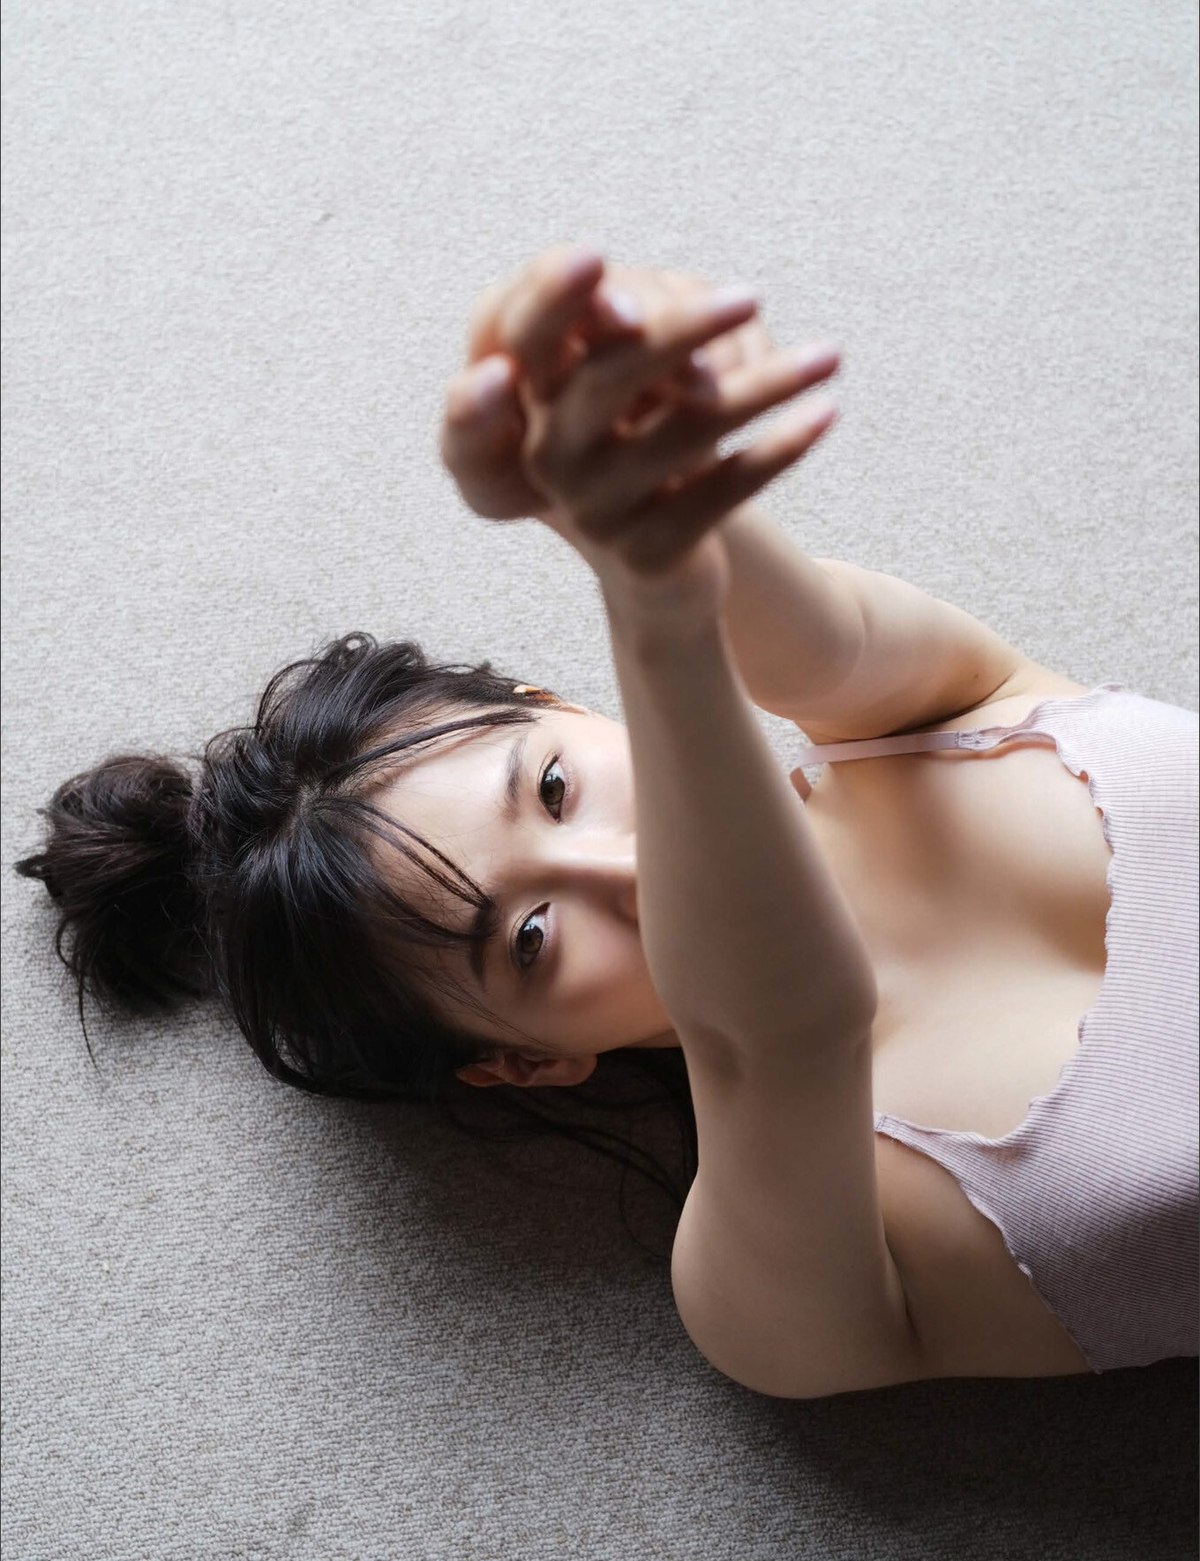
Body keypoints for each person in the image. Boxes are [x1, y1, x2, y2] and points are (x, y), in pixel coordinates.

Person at [17, 246, 1197, 1400]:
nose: (626, 867)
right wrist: (653, 601)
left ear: (567, 705)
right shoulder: (759, 1282)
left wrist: (611, 468)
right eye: (529, 937)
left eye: (553, 788)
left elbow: (792, 623)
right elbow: (782, 1029)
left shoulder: (922, 712)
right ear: (523, 1060)